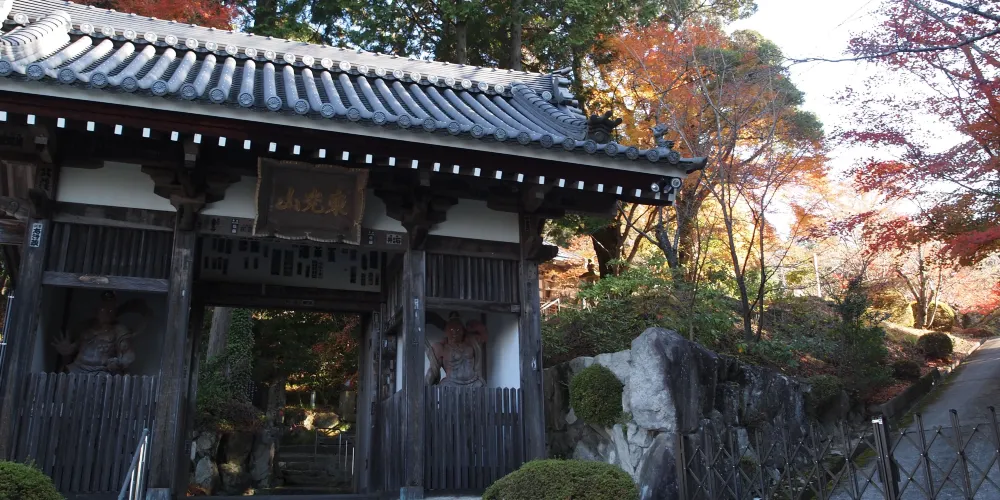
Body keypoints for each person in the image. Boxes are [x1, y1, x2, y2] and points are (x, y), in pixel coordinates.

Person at [52, 291, 149, 374]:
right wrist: (66, 352)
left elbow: (128, 355)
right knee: (63, 373)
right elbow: (73, 350)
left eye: (111, 310)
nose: (107, 313)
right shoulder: (85, 327)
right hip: (78, 367)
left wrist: (118, 363)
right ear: (96, 310)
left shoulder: (119, 330)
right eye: (103, 309)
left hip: (102, 371)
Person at [425, 312, 487, 387]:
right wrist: (425, 385)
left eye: (458, 330)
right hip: (451, 383)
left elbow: (483, 336)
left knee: (481, 384)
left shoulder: (471, 343)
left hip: (472, 382)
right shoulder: (442, 348)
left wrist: (472, 326)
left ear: (463, 331)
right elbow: (433, 370)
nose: (455, 333)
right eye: (451, 330)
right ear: (446, 332)